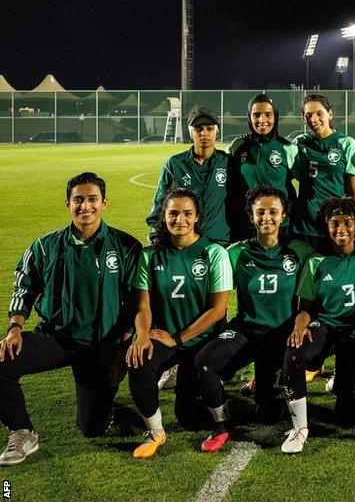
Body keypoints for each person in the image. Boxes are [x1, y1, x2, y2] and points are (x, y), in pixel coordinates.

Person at [0, 173, 141, 466]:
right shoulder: (44, 247)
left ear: (104, 203)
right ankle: (22, 432)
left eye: (92, 199)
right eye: (78, 199)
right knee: (1, 359)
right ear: (68, 203)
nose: (85, 206)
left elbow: (135, 303)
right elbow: (24, 287)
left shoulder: (127, 247)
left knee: (92, 428)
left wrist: (121, 348)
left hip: (101, 345)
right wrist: (15, 327)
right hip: (56, 339)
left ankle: (107, 407)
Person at [192, 186, 312, 452]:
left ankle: (263, 380)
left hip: (280, 335)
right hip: (246, 330)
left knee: (268, 413)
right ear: (251, 216)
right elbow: (213, 288)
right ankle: (222, 426)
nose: (266, 217)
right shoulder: (236, 253)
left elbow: (313, 294)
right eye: (260, 212)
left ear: (283, 216)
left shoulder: (300, 252)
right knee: (205, 362)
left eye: (273, 212)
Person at [127, 187, 233, 459]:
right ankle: (155, 432)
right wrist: (141, 336)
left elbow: (217, 310)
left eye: (187, 213)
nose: (180, 220)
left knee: (190, 419)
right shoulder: (150, 255)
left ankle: (221, 402)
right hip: (165, 336)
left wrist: (179, 338)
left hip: (201, 341)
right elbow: (143, 305)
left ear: (197, 216)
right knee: (140, 361)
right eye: (173, 213)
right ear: (163, 216)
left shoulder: (213, 252)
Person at [279, 197, 355, 454]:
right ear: (326, 225)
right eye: (334, 223)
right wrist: (299, 326)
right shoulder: (316, 261)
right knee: (295, 353)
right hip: (325, 326)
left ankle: (345, 381)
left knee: (348, 415)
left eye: (347, 223)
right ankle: (299, 427)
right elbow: (305, 308)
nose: (341, 229)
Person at [146, 107, 231, 245]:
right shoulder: (175, 163)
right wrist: (156, 234)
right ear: (191, 133)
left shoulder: (228, 162)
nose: (204, 133)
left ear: (217, 131)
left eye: (209, 128)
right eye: (198, 129)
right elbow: (160, 203)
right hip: (184, 242)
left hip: (219, 243)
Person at [226, 94, 299, 241]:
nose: (262, 120)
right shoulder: (237, 146)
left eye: (268, 115)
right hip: (245, 225)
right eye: (256, 115)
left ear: (275, 117)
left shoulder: (288, 148)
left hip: (279, 226)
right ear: (249, 117)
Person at [291, 93, 355, 241]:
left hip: (335, 222)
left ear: (330, 114)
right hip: (304, 223)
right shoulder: (300, 143)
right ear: (303, 119)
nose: (314, 119)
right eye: (308, 115)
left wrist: (354, 219)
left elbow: (353, 186)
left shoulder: (346, 143)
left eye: (319, 113)